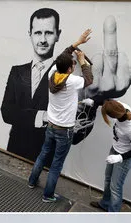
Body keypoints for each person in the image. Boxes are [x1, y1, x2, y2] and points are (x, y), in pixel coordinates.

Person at [27, 29, 94, 202]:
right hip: (65, 131)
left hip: (50, 126)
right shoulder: (71, 81)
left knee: (43, 154)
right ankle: (48, 195)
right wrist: (83, 61)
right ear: (70, 69)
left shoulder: (52, 74)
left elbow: (62, 57)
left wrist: (77, 43)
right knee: (56, 164)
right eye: (73, 65)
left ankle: (32, 182)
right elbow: (89, 79)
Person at [1, 8, 62, 164]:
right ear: (30, 34)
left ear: (58, 35)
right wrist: (42, 116)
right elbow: (6, 112)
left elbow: (67, 126)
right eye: (37, 33)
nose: (42, 39)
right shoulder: (17, 72)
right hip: (15, 150)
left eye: (48, 33)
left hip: (46, 157)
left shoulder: (64, 76)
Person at [90, 100, 131, 212]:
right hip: (115, 149)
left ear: (113, 116)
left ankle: (113, 214)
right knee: (108, 179)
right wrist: (93, 102)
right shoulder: (121, 106)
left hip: (125, 157)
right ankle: (105, 204)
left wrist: (119, 157)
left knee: (115, 187)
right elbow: (106, 102)